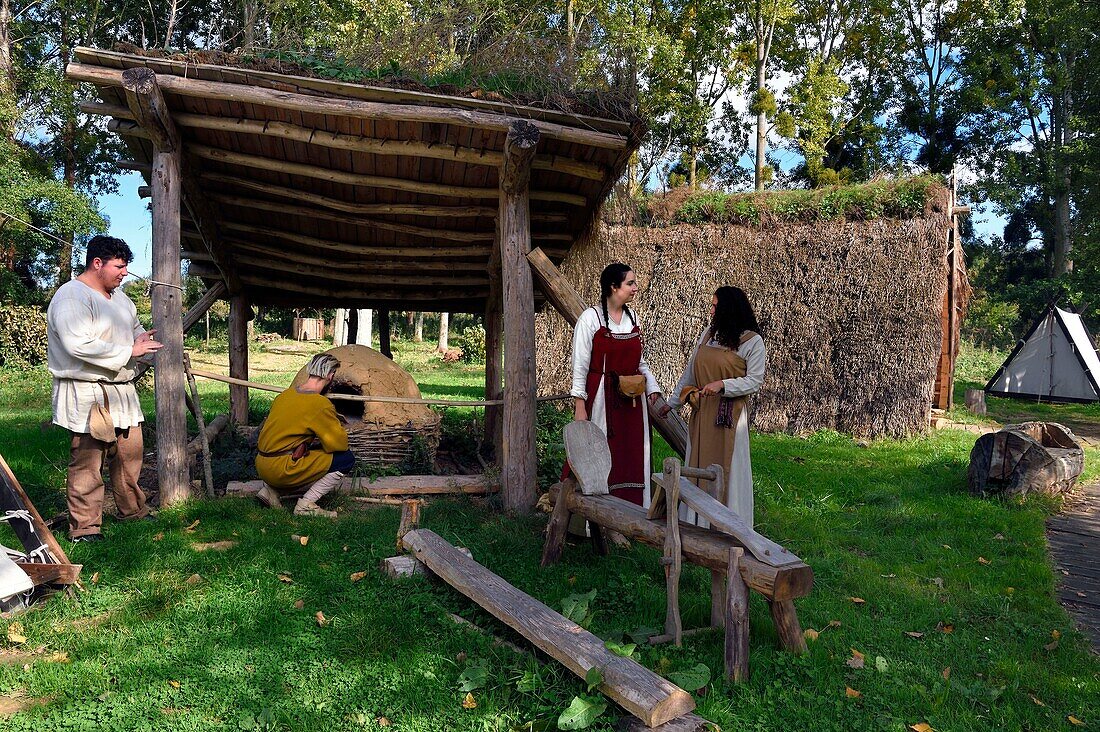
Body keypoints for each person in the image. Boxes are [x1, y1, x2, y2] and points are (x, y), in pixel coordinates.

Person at [47, 235, 163, 543]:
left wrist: (141, 342)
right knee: (88, 461)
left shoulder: (121, 298)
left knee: (129, 454)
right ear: (97, 263)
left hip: (121, 390)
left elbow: (135, 330)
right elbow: (77, 344)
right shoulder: (71, 297)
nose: (124, 273)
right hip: (88, 392)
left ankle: (133, 511)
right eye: (119, 266)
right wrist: (129, 351)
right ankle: (85, 529)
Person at [662, 286, 765, 528]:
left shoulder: (752, 342)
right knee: (697, 464)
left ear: (729, 309)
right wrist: (672, 404)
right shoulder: (709, 334)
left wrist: (723, 385)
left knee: (729, 469)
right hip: (703, 413)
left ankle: (730, 525)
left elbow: (755, 380)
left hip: (729, 417)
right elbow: (690, 372)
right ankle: (697, 522)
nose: (711, 311)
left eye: (715, 306)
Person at [570, 263, 663, 507]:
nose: (635, 288)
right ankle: (596, 518)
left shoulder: (633, 318)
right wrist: (580, 404)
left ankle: (634, 513)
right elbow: (580, 366)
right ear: (613, 287)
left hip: (632, 403)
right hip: (602, 398)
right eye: (630, 283)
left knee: (631, 454)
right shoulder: (591, 318)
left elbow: (639, 362)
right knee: (600, 453)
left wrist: (652, 386)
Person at [254, 354, 354, 518]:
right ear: (330, 375)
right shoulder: (319, 404)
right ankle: (306, 504)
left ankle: (270, 491)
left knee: (305, 454)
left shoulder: (284, 396)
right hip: (282, 468)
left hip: (262, 465)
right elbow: (339, 445)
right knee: (345, 459)